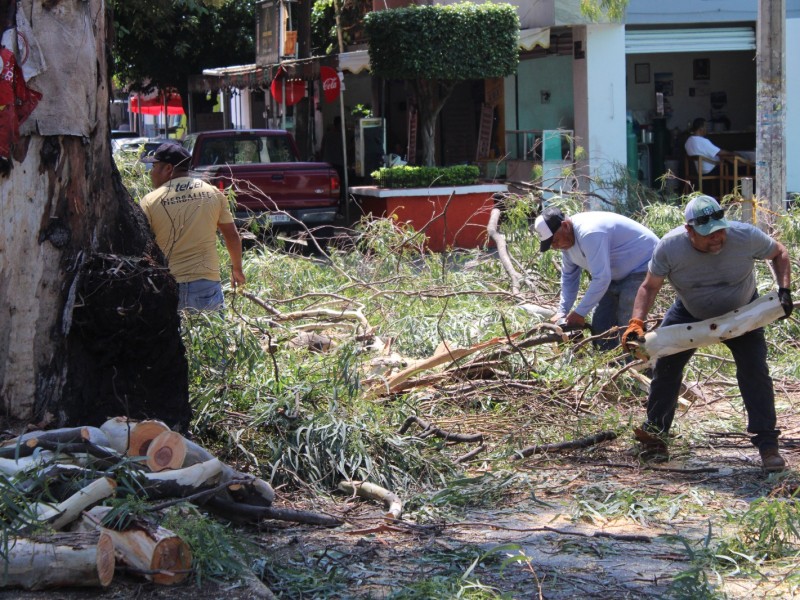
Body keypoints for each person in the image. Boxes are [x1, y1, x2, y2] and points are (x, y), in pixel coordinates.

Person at [621, 195, 793, 471]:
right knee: (666, 366)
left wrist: (784, 290)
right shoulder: (669, 247)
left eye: (720, 230)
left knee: (754, 370)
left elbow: (779, 253)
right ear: (689, 230)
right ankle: (655, 437)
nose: (717, 238)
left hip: (743, 312)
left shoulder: (745, 236)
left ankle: (768, 445)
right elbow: (649, 287)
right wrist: (636, 322)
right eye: (707, 234)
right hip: (690, 311)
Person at [533, 207, 659, 350]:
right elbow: (569, 278)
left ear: (565, 226)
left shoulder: (590, 232)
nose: (555, 247)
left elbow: (602, 278)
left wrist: (579, 313)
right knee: (601, 323)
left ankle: (642, 368)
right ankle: (608, 368)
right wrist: (563, 311)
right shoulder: (566, 246)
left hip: (642, 264)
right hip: (614, 274)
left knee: (628, 321)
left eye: (555, 240)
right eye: (551, 244)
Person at [140, 142, 245, 312]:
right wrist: (237, 270)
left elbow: (143, 247)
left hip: (168, 285)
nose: (151, 172)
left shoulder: (150, 201)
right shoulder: (213, 193)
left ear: (168, 168)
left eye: (154, 166)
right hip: (207, 284)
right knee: (212, 337)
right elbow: (232, 235)